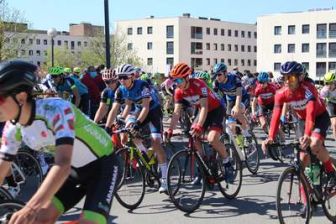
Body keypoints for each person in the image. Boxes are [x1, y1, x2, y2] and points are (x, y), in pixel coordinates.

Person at [0, 60, 118, 224]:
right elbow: (1, 169)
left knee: (89, 222)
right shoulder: (12, 128)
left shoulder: (56, 110)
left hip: (102, 165)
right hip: (72, 172)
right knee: (39, 220)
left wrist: (30, 207)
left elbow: (62, 164)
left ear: (20, 97)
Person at [262, 61, 335, 188]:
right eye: (284, 77)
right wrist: (270, 137)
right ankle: (307, 197)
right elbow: (275, 115)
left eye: (291, 77)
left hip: (319, 118)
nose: (286, 81)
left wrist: (307, 134)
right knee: (301, 160)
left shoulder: (308, 89)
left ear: (300, 77)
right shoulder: (281, 93)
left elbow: (311, 113)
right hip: (302, 120)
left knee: (314, 144)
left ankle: (331, 172)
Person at [105, 64, 169, 193]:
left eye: (124, 77)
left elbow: (146, 107)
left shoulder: (142, 85)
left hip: (153, 112)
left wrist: (138, 123)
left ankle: (164, 178)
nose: (121, 80)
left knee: (156, 142)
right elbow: (121, 107)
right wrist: (109, 125)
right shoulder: (121, 89)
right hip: (139, 111)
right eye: (119, 78)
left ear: (132, 76)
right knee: (129, 129)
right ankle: (145, 155)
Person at [166, 62, 234, 183]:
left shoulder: (199, 84)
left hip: (216, 110)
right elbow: (176, 112)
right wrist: (170, 129)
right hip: (203, 111)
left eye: (179, 80)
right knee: (193, 136)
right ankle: (204, 165)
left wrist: (198, 125)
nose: (177, 84)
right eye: (175, 81)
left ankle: (227, 162)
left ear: (187, 77)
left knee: (212, 139)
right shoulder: (178, 91)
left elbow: (204, 107)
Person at [212, 63, 251, 142]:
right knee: (230, 124)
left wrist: (237, 106)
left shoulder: (234, 78)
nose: (217, 77)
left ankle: (246, 132)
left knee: (236, 112)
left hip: (242, 98)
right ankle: (236, 141)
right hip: (230, 100)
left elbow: (239, 93)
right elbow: (216, 97)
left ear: (225, 73)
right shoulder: (216, 82)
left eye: (219, 74)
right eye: (215, 75)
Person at [320, 71, 336, 140]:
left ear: (334, 82)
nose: (328, 85)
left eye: (330, 83)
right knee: (334, 124)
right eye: (326, 83)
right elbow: (321, 103)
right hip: (331, 103)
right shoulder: (324, 90)